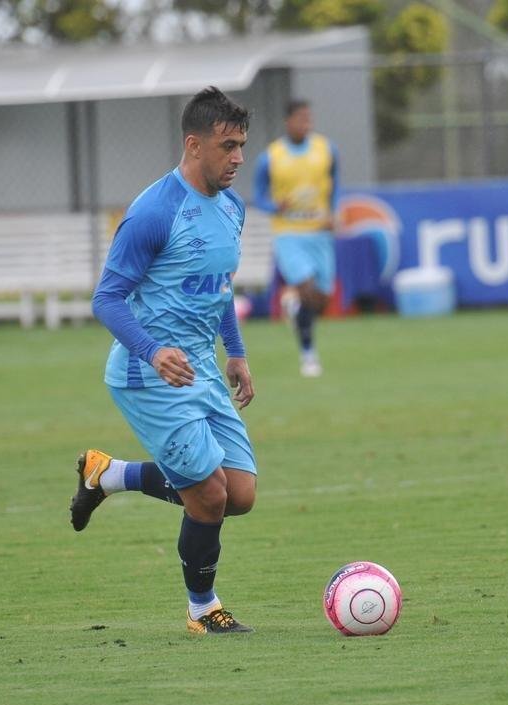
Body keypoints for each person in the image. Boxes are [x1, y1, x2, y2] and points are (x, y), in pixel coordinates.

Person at [70, 87, 258, 635]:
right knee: (209, 495)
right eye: (228, 146)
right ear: (194, 145)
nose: (238, 158)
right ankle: (203, 609)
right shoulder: (155, 211)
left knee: (239, 494)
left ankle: (107, 475)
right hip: (147, 374)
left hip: (199, 367)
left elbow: (218, 290)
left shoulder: (232, 207)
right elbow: (105, 298)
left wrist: (237, 352)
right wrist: (152, 352)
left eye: (242, 145)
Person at [253, 99, 339, 378]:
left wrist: (334, 212)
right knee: (305, 285)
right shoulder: (271, 156)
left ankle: (295, 307)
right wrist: (275, 207)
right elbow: (259, 196)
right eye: (301, 118)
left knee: (321, 300)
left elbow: (336, 184)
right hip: (288, 233)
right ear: (288, 121)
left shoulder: (326, 149)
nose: (306, 124)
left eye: (309, 118)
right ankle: (309, 356)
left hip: (320, 232)